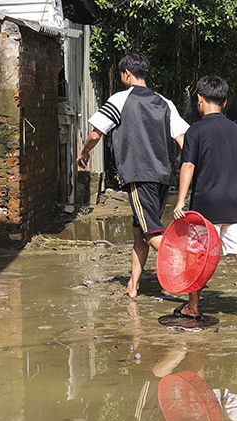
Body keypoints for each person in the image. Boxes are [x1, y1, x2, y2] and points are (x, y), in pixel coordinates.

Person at [77, 52, 189, 298]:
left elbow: (96, 134)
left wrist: (83, 153)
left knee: (150, 232)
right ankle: (133, 286)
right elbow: (183, 140)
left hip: (139, 175)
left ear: (127, 74)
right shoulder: (165, 102)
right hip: (162, 176)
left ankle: (185, 263)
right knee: (140, 231)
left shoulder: (120, 99)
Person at [172, 76, 237, 328]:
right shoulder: (236, 130)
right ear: (225, 102)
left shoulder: (195, 130)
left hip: (207, 206)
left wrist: (180, 200)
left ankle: (193, 307)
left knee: (196, 257)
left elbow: (188, 165)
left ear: (199, 100)